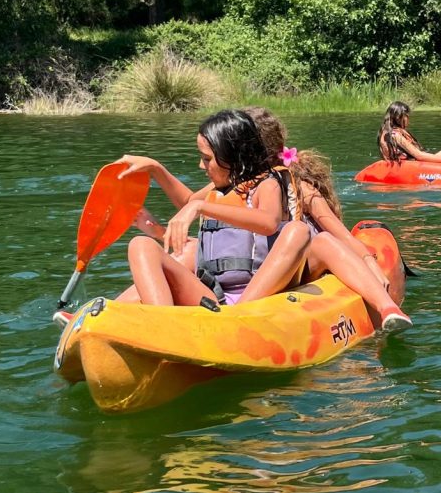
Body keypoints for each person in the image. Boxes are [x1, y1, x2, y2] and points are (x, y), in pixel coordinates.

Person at [114, 109, 310, 307]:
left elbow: (269, 223)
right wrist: (154, 168)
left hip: (251, 298)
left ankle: (237, 314)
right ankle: (138, 316)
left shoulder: (267, 185)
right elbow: (188, 202)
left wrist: (200, 207)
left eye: (207, 159)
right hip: (212, 295)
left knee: (299, 231)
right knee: (140, 244)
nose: (201, 165)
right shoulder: (220, 190)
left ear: (233, 158)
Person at [243, 107, 412, 332]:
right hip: (262, 273)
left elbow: (341, 235)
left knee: (322, 240)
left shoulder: (302, 190)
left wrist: (370, 262)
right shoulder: (237, 192)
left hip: (301, 269)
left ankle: (385, 306)